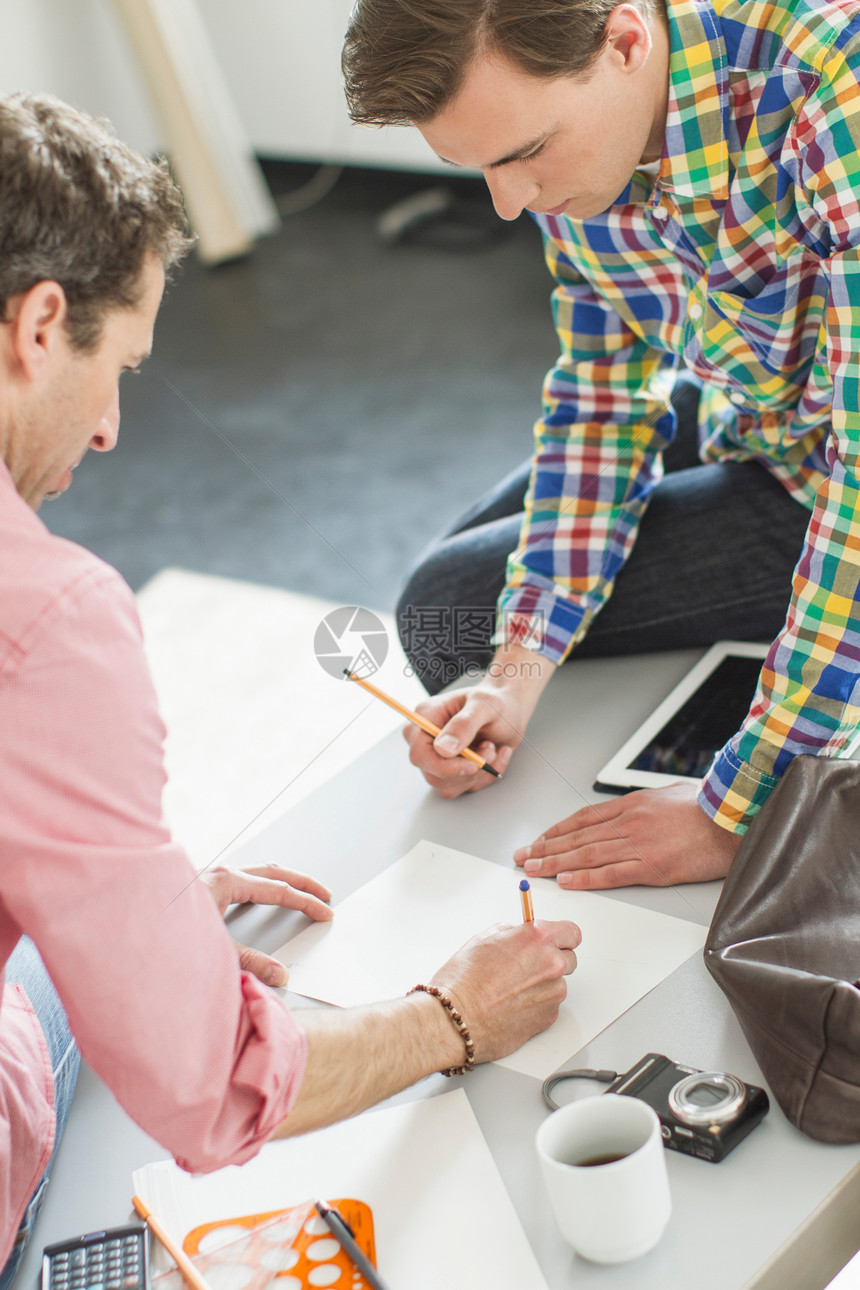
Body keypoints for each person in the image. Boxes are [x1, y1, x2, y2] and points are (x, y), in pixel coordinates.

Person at [0, 92, 581, 1284]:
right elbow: (210, 1091)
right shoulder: (47, 619)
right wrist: (448, 1017)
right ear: (40, 326)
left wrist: (120, 904)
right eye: (121, 367)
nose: (111, 429)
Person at [342, 0, 860, 890]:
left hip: (831, 460)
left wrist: (734, 810)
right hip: (766, 402)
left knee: (452, 610)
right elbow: (602, 402)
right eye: (476, 169)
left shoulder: (829, 86)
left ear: (626, 41)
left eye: (522, 155)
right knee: (452, 623)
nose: (510, 205)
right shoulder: (570, 132)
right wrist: (514, 674)